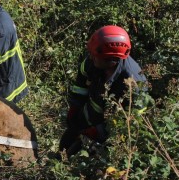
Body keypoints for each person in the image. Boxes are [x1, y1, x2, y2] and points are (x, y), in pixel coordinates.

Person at [59, 25, 147, 157]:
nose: (90, 56)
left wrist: (98, 131)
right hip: (88, 115)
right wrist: (75, 107)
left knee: (86, 161)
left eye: (94, 55)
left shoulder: (133, 84)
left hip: (110, 135)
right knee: (65, 145)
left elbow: (129, 122)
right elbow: (80, 84)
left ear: (111, 60)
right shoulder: (93, 60)